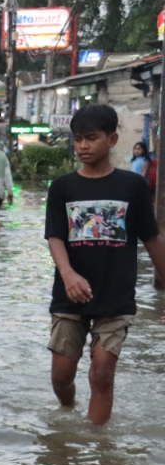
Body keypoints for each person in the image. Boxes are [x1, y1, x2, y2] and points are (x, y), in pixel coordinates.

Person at [45, 104, 165, 425]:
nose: (83, 146)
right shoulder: (62, 187)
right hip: (69, 294)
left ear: (112, 140)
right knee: (61, 374)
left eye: (91, 138)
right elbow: (55, 237)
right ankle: (67, 411)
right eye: (78, 139)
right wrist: (68, 274)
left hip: (116, 297)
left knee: (101, 374)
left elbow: (152, 240)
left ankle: (97, 450)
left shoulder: (132, 187)